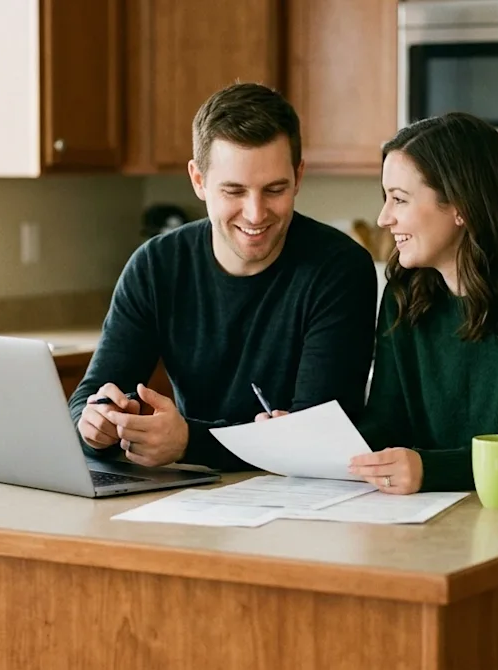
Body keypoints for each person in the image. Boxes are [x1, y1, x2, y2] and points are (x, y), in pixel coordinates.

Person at [256, 112, 498, 623]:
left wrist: (428, 469)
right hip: (460, 538)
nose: (383, 218)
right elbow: (386, 423)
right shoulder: (406, 291)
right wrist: (307, 439)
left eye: (399, 199)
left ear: (460, 205)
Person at [69, 82, 377, 471]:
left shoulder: (340, 269)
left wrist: (189, 442)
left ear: (298, 177)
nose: (255, 213)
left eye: (275, 189)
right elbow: (86, 399)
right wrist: (96, 423)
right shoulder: (156, 266)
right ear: (198, 180)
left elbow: (316, 440)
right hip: (193, 496)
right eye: (234, 190)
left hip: (301, 502)